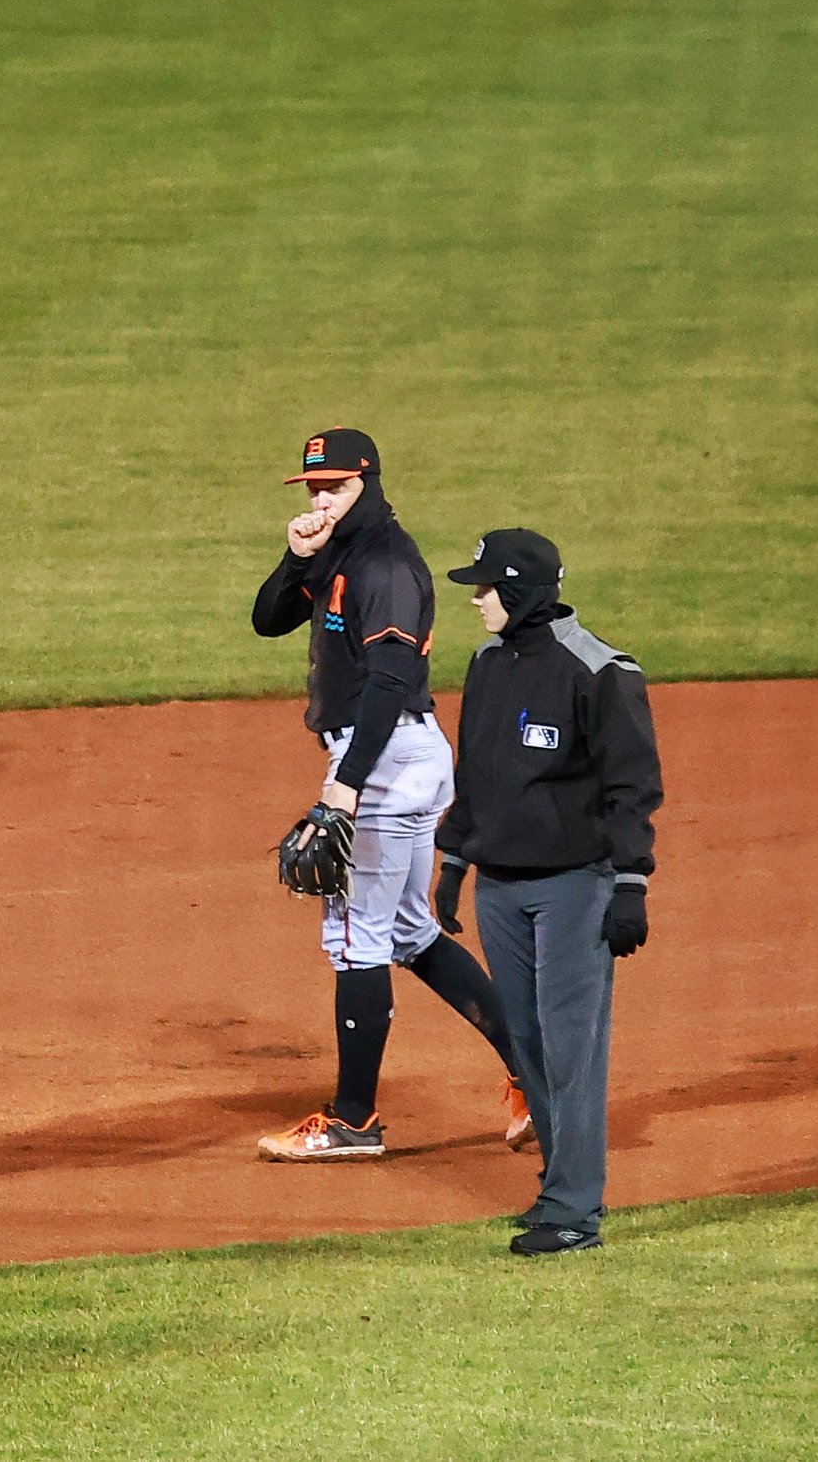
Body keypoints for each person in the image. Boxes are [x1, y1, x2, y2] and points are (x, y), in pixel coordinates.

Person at [250, 428, 524, 1161]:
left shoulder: (387, 566)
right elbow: (268, 618)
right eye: (313, 487)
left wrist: (345, 787)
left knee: (355, 942)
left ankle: (352, 1123)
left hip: (384, 757)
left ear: (368, 482)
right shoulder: (338, 547)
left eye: (334, 487)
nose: (321, 497)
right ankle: (535, 1072)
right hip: (396, 758)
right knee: (407, 931)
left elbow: (392, 678)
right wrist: (297, 555)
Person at [434, 529, 662, 1255]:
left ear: (524, 593)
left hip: (574, 887)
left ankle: (574, 1209)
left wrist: (629, 883)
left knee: (571, 1048)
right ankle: (556, 1189)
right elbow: (475, 772)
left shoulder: (599, 671)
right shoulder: (487, 662)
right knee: (528, 1043)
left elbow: (633, 787)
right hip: (499, 886)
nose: (475, 600)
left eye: (486, 587)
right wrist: (452, 863)